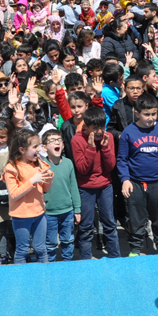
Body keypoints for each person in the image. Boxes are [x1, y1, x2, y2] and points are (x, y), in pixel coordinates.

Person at [117, 94, 158, 256]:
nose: (151, 118)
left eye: (154, 114)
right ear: (137, 113)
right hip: (135, 183)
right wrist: (125, 179)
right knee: (136, 220)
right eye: (146, 114)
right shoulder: (128, 132)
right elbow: (122, 159)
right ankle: (136, 249)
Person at [71, 106, 120, 259]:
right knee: (86, 227)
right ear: (86, 126)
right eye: (95, 128)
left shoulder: (108, 137)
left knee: (110, 224)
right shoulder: (77, 140)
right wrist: (91, 148)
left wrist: (105, 148)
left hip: (105, 185)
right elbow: (82, 170)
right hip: (86, 188)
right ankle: (86, 259)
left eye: (102, 127)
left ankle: (115, 257)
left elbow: (111, 166)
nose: (99, 131)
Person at [4, 128, 54, 264]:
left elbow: (46, 189)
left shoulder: (39, 164)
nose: (38, 149)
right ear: (22, 149)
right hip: (21, 216)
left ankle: (44, 276)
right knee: (22, 250)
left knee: (41, 248)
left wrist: (48, 179)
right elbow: (14, 194)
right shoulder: (11, 168)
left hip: (39, 214)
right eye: (35, 146)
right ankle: (21, 280)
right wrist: (32, 180)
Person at [41, 129, 79, 262]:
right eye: (52, 140)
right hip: (49, 212)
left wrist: (77, 209)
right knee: (50, 242)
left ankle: (68, 264)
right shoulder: (41, 165)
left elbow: (73, 186)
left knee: (68, 240)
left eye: (59, 140)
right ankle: (50, 265)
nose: (56, 142)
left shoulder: (68, 163)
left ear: (63, 145)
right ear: (44, 147)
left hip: (67, 210)